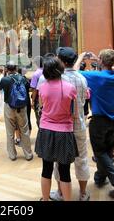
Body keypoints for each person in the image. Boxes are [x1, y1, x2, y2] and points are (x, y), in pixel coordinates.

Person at [74, 49, 114, 200]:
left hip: (99, 120)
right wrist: (100, 59)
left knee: (99, 152)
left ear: (101, 62)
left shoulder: (95, 76)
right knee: (108, 151)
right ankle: (100, 178)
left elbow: (74, 72)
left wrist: (80, 58)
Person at [50, 47, 90, 201]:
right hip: (79, 124)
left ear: (61, 61)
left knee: (60, 162)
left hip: (62, 127)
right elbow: (84, 99)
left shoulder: (58, 79)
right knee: (82, 160)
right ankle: (83, 193)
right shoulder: (81, 78)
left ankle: (60, 193)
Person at [35, 56, 78, 201]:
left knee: (46, 169)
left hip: (46, 130)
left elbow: (42, 107)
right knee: (65, 171)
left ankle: (45, 199)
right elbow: (74, 113)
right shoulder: (70, 88)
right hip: (65, 132)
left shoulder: (42, 88)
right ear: (60, 69)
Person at [0, 61, 33, 161]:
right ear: (16, 69)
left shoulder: (5, 79)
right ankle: (28, 154)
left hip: (9, 107)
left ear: (7, 69)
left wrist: (5, 75)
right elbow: (28, 88)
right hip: (22, 108)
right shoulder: (23, 78)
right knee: (24, 131)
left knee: (10, 132)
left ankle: (12, 155)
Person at [30, 56, 44, 128]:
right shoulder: (47, 71)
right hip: (48, 97)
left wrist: (32, 101)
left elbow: (34, 89)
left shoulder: (36, 74)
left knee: (39, 117)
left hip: (39, 98)